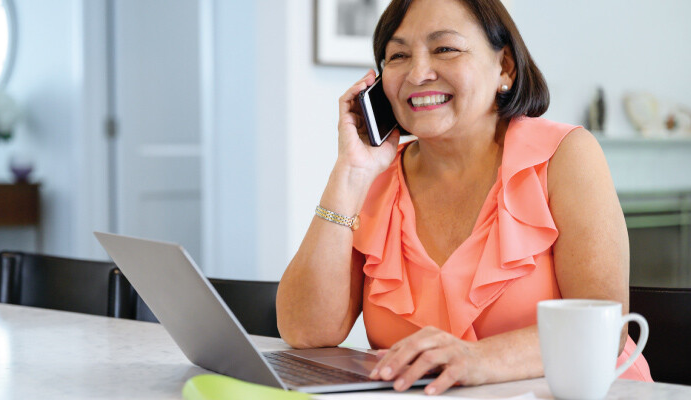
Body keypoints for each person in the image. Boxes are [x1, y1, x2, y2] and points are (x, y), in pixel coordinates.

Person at [276, 0, 652, 395]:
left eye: (445, 49)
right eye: (398, 56)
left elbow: (604, 327)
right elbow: (305, 330)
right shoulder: (375, 179)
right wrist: (349, 173)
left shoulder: (566, 154)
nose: (418, 73)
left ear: (504, 67)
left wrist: (479, 358)